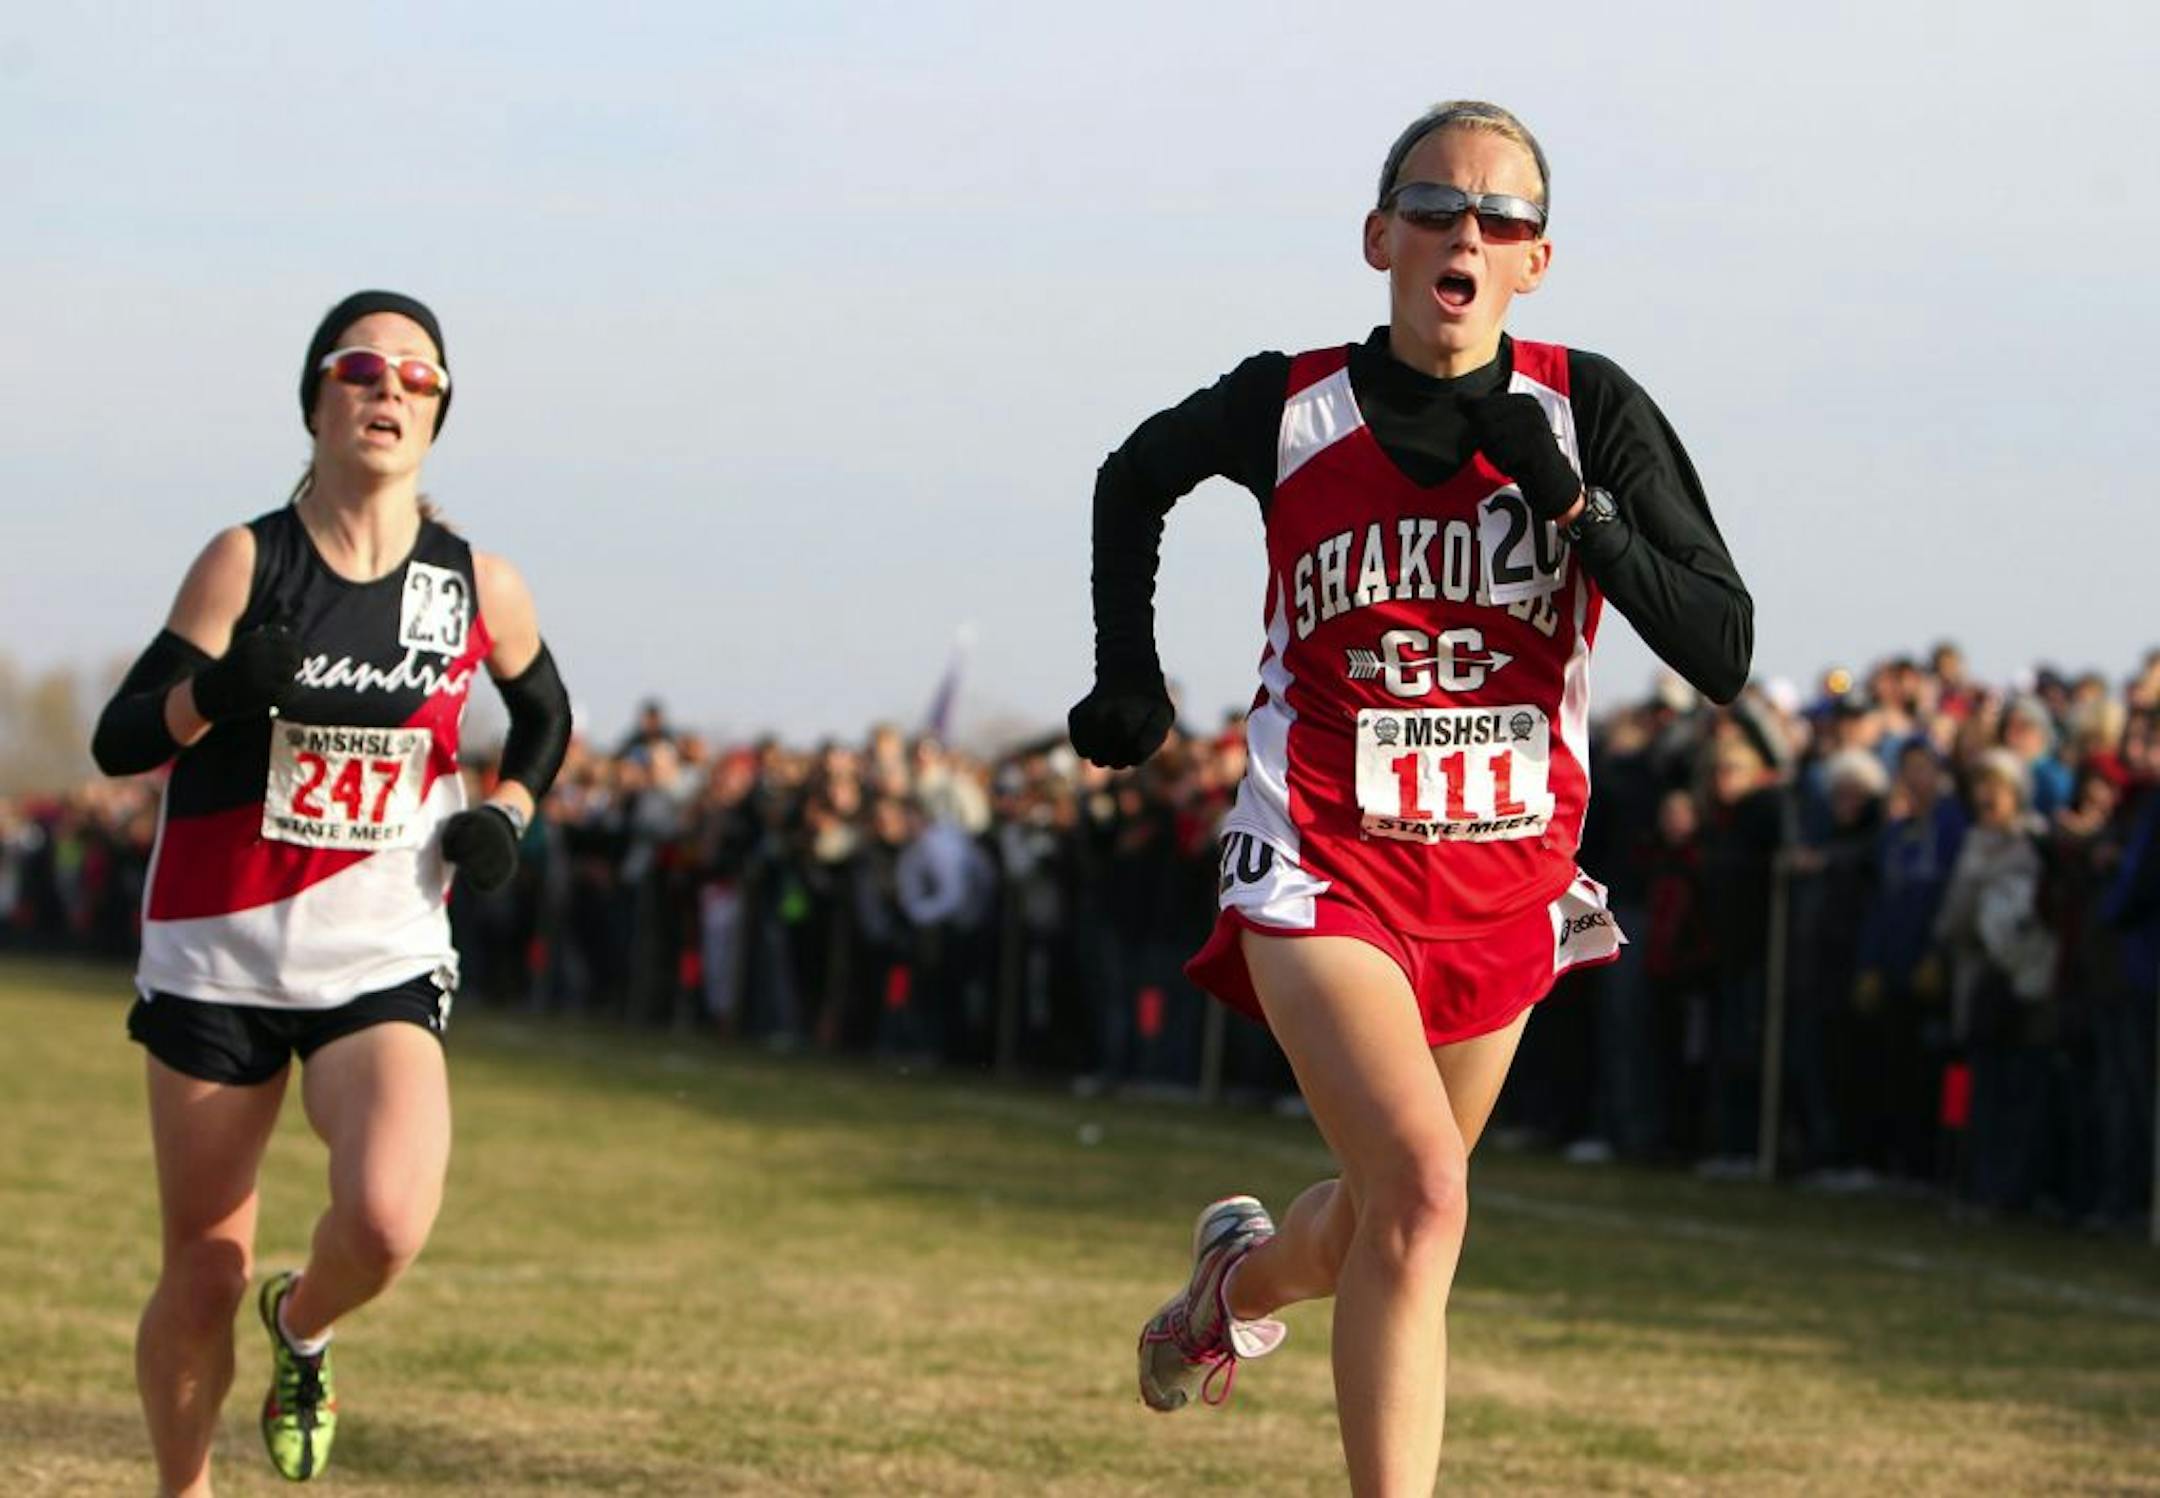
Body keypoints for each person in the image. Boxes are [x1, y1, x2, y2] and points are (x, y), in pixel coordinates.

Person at [1068, 102, 1751, 1492]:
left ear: (1537, 258)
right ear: (1380, 237)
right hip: (1320, 852)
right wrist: (1129, 673)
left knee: (1394, 1212)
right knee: (1430, 1193)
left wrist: (1567, 501)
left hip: (1506, 877)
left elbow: (1720, 645)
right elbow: (1130, 477)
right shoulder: (1294, 402)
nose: (1466, 234)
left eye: (1500, 217)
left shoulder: (1586, 407)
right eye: (1437, 207)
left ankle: (1230, 1287)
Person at [91, 290, 573, 1494]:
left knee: (388, 1219)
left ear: (441, 411)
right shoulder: (247, 559)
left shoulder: (475, 585)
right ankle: (183, 1487)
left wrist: (506, 812)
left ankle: (302, 1326)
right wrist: (217, 695)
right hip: (219, 949)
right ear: (316, 397)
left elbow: (548, 717)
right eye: (363, 368)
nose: (390, 390)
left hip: (381, 953)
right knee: (202, 1267)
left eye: (419, 377)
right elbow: (120, 738)